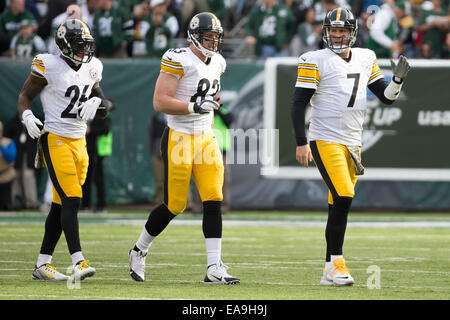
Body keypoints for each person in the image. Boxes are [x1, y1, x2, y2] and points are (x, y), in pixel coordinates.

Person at [290, 7, 410, 286]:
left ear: (353, 32)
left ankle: (329, 269)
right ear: (326, 32)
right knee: (344, 195)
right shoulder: (314, 59)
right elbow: (298, 103)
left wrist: (398, 81)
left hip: (353, 142)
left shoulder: (366, 56)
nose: (338, 35)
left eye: (343, 30)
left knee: (337, 203)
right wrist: (300, 142)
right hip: (325, 138)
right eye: (334, 30)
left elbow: (387, 97)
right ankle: (337, 263)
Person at [128, 12, 240, 285]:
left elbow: (212, 95)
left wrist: (214, 102)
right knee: (175, 205)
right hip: (179, 137)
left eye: (216, 37)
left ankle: (214, 266)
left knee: (213, 199)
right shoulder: (178, 58)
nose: (213, 42)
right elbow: (160, 101)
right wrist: (193, 106)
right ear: (194, 36)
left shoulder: (219, 62)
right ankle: (139, 249)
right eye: (208, 37)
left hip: (206, 138)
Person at [17, 19, 109, 281]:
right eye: (78, 46)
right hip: (55, 138)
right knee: (72, 198)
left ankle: (42, 264)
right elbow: (25, 96)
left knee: (59, 206)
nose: (83, 52)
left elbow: (106, 104)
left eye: (86, 46)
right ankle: (78, 261)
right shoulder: (49, 65)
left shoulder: (92, 67)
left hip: (79, 142)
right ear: (64, 45)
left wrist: (97, 103)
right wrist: (26, 116)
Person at [4, 113, 39, 210]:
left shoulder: (37, 120)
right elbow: (7, 138)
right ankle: (16, 201)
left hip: (30, 154)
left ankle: (31, 203)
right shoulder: (12, 122)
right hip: (16, 154)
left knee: (29, 176)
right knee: (15, 176)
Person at [81, 110, 111, 213]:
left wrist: (90, 130)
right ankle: (85, 205)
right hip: (86, 150)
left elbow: (105, 129)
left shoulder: (102, 114)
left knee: (98, 178)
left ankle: (101, 204)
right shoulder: (84, 112)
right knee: (86, 178)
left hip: (97, 152)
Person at [0, 120, 17, 211]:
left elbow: (11, 157)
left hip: (5, 176)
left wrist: (1, 146)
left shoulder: (8, 142)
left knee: (6, 206)